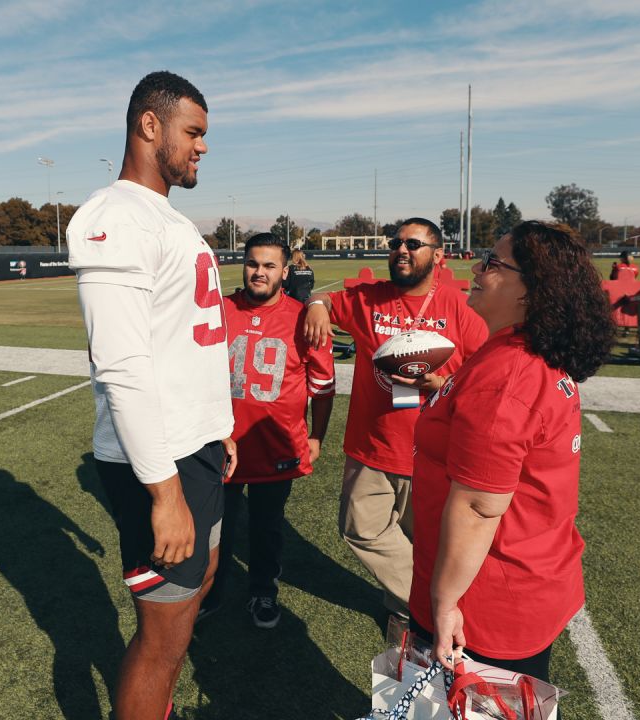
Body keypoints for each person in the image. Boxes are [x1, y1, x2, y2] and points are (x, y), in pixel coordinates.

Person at [66, 70, 237, 720]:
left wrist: (218, 425)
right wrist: (164, 494)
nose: (202, 146)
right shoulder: (115, 216)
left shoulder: (163, 217)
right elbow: (123, 364)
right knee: (162, 641)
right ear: (149, 125)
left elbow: (187, 342)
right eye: (193, 132)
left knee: (196, 597)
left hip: (195, 446)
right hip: (156, 464)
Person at [410, 220, 616, 684]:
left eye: (493, 263)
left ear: (529, 290)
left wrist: (444, 602)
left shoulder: (508, 375)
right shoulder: (522, 354)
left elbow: (480, 506)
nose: (478, 270)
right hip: (520, 575)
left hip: (485, 599)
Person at [303, 218, 488, 617]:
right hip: (372, 447)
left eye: (413, 244)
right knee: (361, 529)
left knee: (420, 544)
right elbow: (324, 299)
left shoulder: (459, 309)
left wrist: (441, 383)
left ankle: (407, 615)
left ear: (438, 256)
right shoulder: (370, 298)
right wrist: (317, 305)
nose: (401, 250)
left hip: (433, 455)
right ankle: (427, 603)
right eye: (396, 242)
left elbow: (486, 378)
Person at [201, 233, 335, 629]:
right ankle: (212, 591)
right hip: (220, 442)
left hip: (276, 444)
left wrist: (317, 437)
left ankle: (262, 591)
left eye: (269, 265)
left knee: (267, 527)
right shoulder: (220, 310)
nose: (259, 272)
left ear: (285, 270)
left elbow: (323, 387)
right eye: (253, 264)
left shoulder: (303, 316)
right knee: (214, 529)